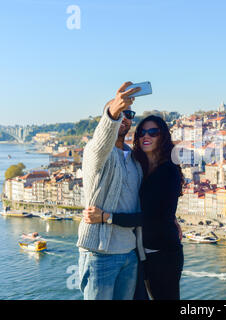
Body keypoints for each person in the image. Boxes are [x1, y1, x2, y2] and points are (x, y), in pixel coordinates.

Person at [83, 115, 185, 300]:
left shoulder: (167, 171)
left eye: (153, 132)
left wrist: (107, 217)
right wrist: (172, 218)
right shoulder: (140, 165)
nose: (146, 136)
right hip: (140, 253)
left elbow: (152, 217)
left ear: (162, 137)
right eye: (142, 132)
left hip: (163, 253)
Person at [76, 81, 147, 300]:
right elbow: (101, 142)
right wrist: (113, 112)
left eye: (130, 114)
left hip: (129, 251)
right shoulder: (95, 154)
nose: (126, 118)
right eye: (121, 113)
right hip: (100, 252)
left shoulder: (135, 160)